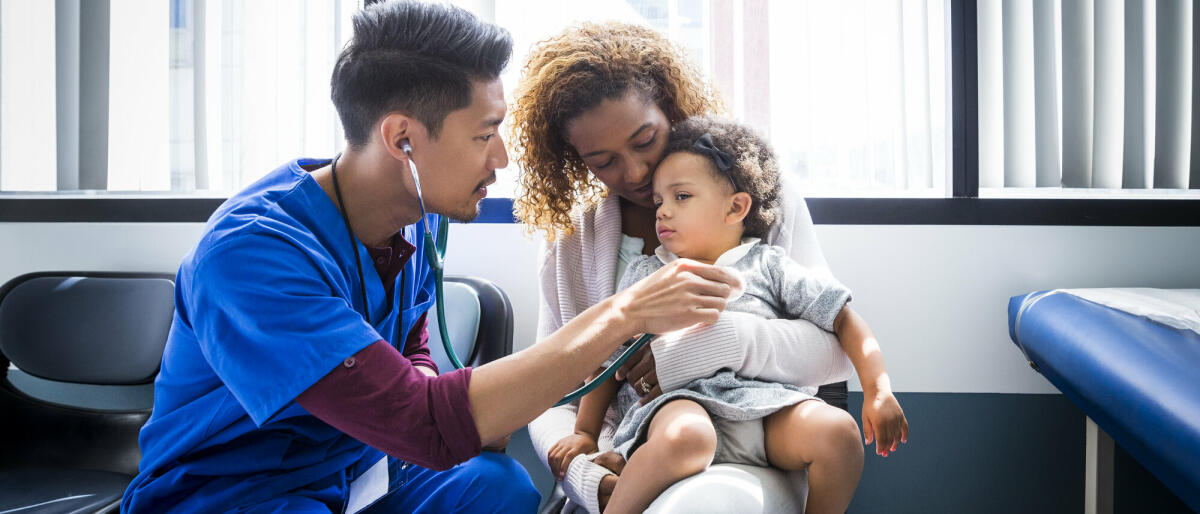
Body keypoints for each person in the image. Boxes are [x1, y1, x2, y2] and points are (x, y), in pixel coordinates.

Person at [121, 3, 741, 512]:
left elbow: (411, 360)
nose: (500, 160)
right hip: (237, 494)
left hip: (357, 473)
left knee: (498, 489)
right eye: (483, 134)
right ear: (403, 139)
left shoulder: (418, 220)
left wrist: (472, 404)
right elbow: (420, 425)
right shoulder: (252, 256)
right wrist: (624, 313)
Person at [511, 22, 860, 513]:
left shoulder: (758, 201)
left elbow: (835, 354)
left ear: (671, 110)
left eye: (644, 140)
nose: (633, 173)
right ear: (574, 160)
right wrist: (592, 480)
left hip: (760, 448)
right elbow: (554, 392)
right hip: (635, 462)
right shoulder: (574, 245)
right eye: (602, 160)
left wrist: (713, 344)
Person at [553, 116, 910, 513]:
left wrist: (878, 390)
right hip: (678, 407)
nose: (663, 212)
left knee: (839, 434)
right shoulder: (648, 274)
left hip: (765, 409)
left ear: (736, 207)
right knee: (689, 437)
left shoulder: (770, 265)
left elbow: (841, 317)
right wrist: (585, 432)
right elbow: (609, 359)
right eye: (659, 201)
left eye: (681, 197)